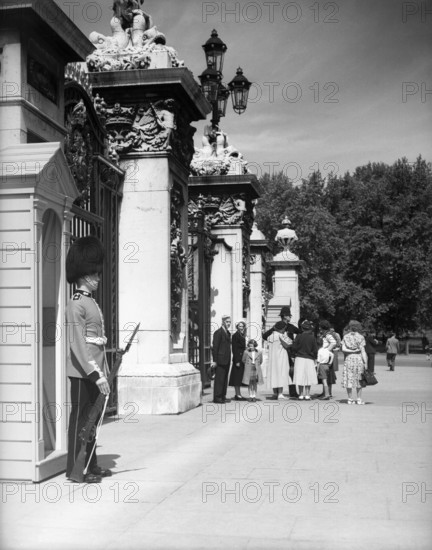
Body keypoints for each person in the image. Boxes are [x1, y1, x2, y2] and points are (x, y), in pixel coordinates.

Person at [65, 236, 111, 484]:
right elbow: (79, 343)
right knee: (82, 420)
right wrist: (96, 374)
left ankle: (91, 463)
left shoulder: (89, 301)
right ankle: (75, 469)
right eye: (95, 273)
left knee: (93, 419)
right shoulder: (76, 304)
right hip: (82, 372)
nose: (98, 278)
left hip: (94, 370)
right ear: (84, 274)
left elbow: (96, 342)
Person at [263, 306, 300, 397]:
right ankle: (278, 392)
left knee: (290, 372)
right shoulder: (277, 326)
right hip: (280, 352)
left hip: (289, 351)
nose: (290, 317)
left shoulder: (291, 326)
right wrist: (274, 330)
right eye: (289, 315)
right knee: (279, 371)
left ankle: (292, 392)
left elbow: (300, 333)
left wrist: (295, 343)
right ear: (284, 316)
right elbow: (265, 336)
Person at [341, 320, 367, 404]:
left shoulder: (346, 337)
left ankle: (350, 399)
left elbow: (343, 349)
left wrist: (351, 351)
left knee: (349, 378)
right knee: (359, 378)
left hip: (348, 359)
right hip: (358, 359)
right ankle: (359, 399)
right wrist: (365, 362)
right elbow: (363, 351)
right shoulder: (361, 337)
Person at [292, 319, 318, 400]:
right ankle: (307, 394)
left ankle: (301, 394)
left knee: (300, 376)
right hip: (309, 358)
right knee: (308, 376)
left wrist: (293, 355)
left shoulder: (299, 336)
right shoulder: (312, 337)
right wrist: (315, 357)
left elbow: (294, 347)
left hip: (299, 357)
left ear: (302, 328)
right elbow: (315, 349)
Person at [266, 321, 292, 399]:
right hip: (281, 358)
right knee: (281, 374)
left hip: (272, 359)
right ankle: (280, 393)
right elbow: (289, 344)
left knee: (274, 375)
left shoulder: (269, 337)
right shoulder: (281, 336)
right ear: (282, 328)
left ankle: (274, 393)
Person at [211, 315, 232, 404]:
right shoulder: (218, 333)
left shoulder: (228, 333)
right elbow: (215, 347)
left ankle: (223, 395)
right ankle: (217, 397)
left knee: (224, 379)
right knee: (219, 379)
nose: (229, 324)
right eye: (227, 322)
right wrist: (215, 360)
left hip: (226, 359)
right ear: (223, 322)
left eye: (229, 322)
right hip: (220, 360)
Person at [317, 320, 337, 398]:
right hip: (326, 356)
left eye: (320, 326)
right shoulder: (324, 334)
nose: (319, 328)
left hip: (326, 357)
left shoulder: (328, 335)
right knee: (325, 376)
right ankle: (325, 392)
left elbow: (334, 342)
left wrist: (327, 350)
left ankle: (329, 393)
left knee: (328, 376)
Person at [229, 320, 247, 400]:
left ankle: (239, 393)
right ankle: (237, 394)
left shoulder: (242, 335)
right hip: (238, 359)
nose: (241, 328)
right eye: (240, 326)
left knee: (239, 377)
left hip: (242, 358)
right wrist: (237, 361)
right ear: (237, 327)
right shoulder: (235, 335)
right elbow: (234, 349)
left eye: (242, 326)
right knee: (237, 377)